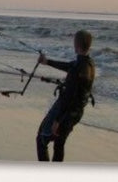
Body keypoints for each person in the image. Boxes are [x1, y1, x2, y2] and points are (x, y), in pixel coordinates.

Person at [35, 29, 95, 162]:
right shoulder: (89, 64)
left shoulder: (76, 69)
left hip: (65, 113)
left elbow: (68, 97)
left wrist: (57, 120)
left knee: (41, 139)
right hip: (77, 113)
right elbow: (69, 66)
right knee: (59, 143)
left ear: (77, 45)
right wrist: (47, 62)